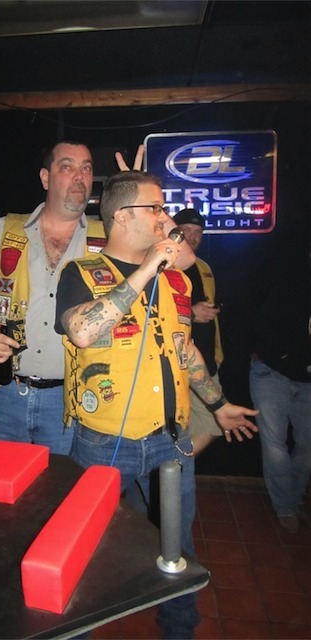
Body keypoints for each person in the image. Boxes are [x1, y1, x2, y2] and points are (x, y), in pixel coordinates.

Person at [55, 170, 258, 639]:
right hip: (104, 442)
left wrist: (218, 404)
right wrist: (147, 268)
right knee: (86, 548)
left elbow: (185, 350)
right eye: (156, 208)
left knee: (177, 549)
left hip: (170, 439)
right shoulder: (81, 274)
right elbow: (83, 331)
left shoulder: (176, 283)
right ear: (122, 217)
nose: (166, 219)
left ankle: (179, 630)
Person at [0, 141, 195, 454]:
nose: (79, 176)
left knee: (63, 485)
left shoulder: (111, 233)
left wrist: (144, 200)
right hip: (3, 393)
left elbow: (185, 258)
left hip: (70, 400)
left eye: (86, 168)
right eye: (67, 167)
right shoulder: (6, 232)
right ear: (45, 178)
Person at [249, 257, 311, 532]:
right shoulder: (290, 282)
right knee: (275, 445)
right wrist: (281, 355)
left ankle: (293, 499)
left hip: (307, 380)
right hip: (271, 372)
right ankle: (285, 505)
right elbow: (260, 321)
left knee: (307, 447)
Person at [173, 207, 224, 454]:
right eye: (187, 231)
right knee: (200, 424)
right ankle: (171, 466)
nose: (193, 237)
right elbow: (149, 311)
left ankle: (172, 465)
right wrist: (192, 314)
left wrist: (217, 355)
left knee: (211, 424)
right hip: (174, 364)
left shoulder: (203, 266)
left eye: (198, 232)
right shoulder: (163, 264)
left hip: (204, 362)